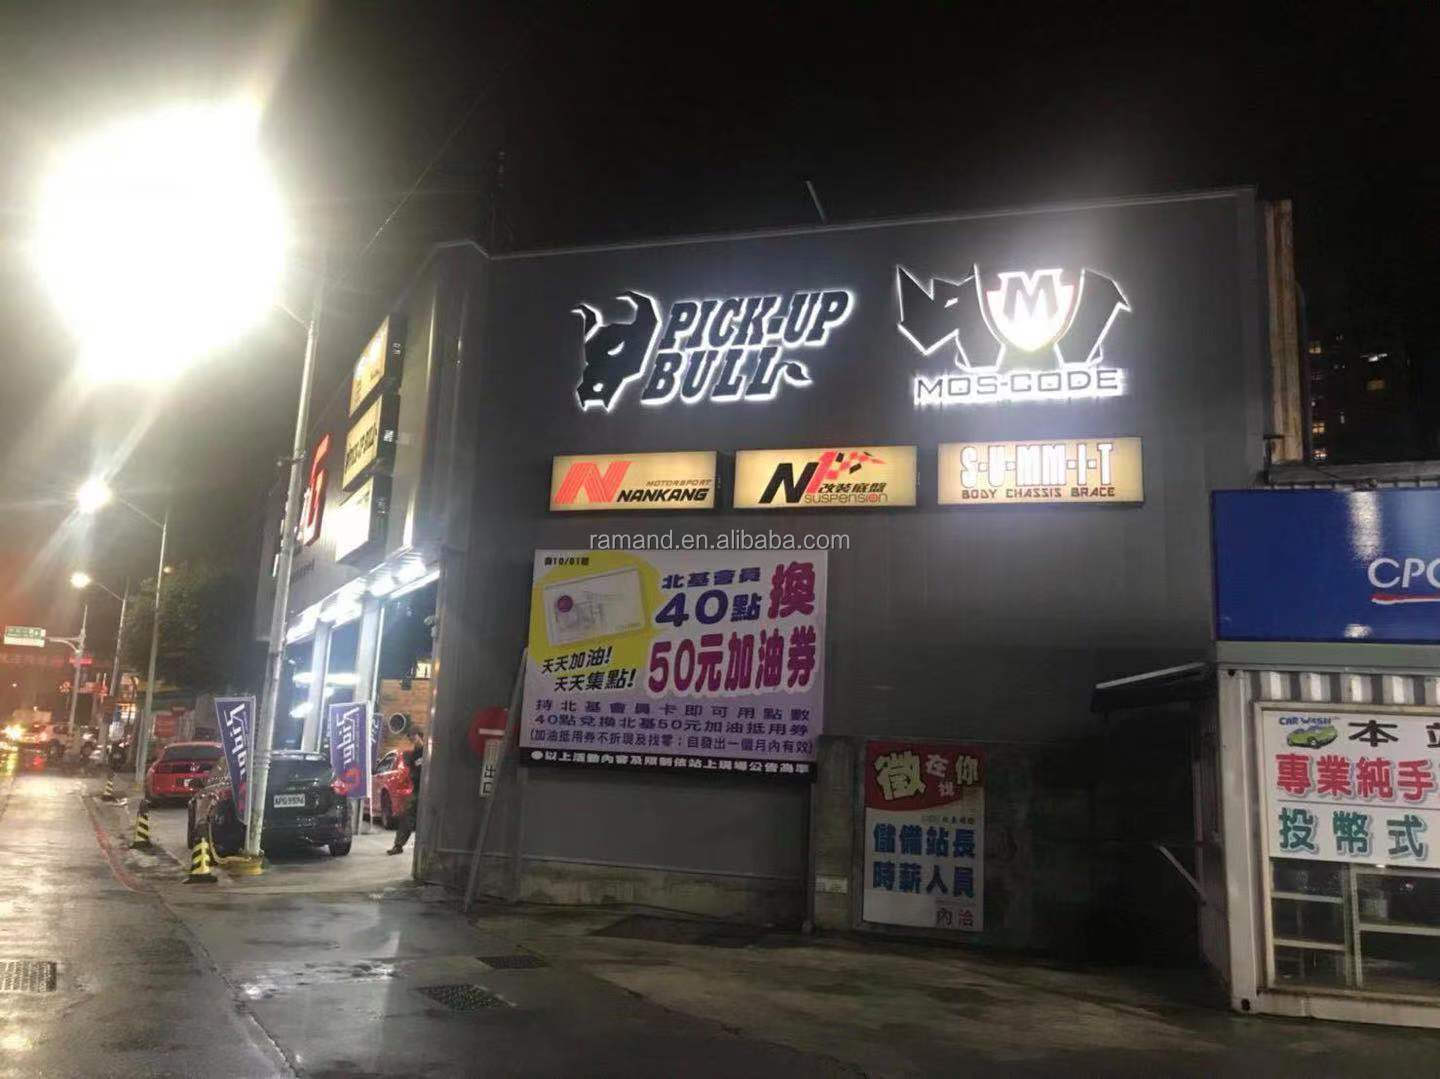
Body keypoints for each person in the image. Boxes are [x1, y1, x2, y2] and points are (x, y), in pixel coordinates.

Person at [387, 730, 425, 855]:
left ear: (420, 736)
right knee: (407, 816)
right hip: (418, 790)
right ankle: (398, 845)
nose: (412, 739)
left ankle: (426, 847)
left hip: (431, 790)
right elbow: (412, 773)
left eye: (414, 736)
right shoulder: (413, 755)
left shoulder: (429, 750)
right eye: (410, 737)